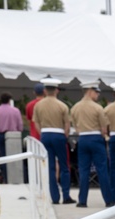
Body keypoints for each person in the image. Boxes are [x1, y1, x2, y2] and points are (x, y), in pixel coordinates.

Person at [69, 80, 114, 207]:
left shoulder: (75, 107)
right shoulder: (98, 107)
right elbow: (104, 128)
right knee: (102, 170)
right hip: (96, 138)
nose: (98, 95)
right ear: (89, 91)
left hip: (82, 139)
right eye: (96, 92)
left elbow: (75, 125)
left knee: (83, 170)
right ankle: (108, 200)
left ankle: (82, 200)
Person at [31, 77, 73, 205]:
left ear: (45, 90)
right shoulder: (62, 106)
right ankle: (66, 195)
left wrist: (42, 132)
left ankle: (54, 197)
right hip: (59, 134)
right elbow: (67, 124)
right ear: (56, 90)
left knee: (50, 167)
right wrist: (65, 135)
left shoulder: (38, 105)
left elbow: (36, 122)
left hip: (45, 134)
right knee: (64, 166)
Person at [0, 92, 23, 183]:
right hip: (14, 135)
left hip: (1, 135)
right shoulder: (16, 111)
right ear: (9, 100)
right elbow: (20, 124)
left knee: (3, 157)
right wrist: (18, 131)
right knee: (15, 156)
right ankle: (16, 177)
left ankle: (5, 177)